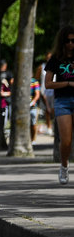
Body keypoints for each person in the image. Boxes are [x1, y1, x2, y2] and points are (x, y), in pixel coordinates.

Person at [44, 25, 74, 185]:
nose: (70, 44)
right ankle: (64, 165)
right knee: (66, 140)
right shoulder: (55, 59)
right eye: (67, 41)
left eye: (73, 41)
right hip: (62, 101)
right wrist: (67, 83)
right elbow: (47, 84)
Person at [28, 64, 42, 143]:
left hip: (32, 106)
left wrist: (33, 102)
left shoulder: (34, 82)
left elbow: (37, 94)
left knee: (33, 123)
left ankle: (33, 139)